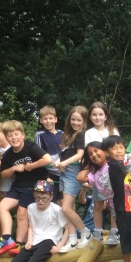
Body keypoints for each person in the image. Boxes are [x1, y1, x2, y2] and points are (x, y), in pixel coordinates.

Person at [0, 120, 53, 257]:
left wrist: (31, 166)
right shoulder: (8, 154)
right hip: (18, 186)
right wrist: (14, 168)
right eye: (10, 135)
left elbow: (47, 159)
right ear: (6, 138)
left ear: (23, 135)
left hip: (33, 186)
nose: (14, 138)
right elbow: (4, 174)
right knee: (2, 207)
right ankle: (7, 240)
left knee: (21, 213)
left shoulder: (31, 147)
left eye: (16, 134)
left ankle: (18, 244)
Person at [54, 106, 91, 253]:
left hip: (73, 172)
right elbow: (63, 154)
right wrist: (58, 162)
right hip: (64, 172)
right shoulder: (67, 135)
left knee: (65, 208)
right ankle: (72, 238)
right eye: (73, 119)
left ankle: (85, 232)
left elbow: (80, 155)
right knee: (69, 209)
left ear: (84, 121)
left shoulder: (81, 134)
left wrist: (64, 163)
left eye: (79, 120)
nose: (75, 122)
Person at [84, 101, 120, 245]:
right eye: (94, 115)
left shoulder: (112, 130)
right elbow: (88, 153)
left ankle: (114, 232)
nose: (97, 117)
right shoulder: (89, 133)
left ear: (105, 116)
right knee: (98, 203)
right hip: (98, 172)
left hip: (112, 170)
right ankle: (97, 232)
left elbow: (118, 149)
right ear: (90, 117)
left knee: (113, 204)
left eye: (100, 114)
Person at [76, 141, 119, 246]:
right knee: (97, 206)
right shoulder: (95, 172)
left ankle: (114, 232)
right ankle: (98, 233)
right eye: (90, 154)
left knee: (113, 207)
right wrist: (90, 164)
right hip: (101, 184)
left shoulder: (113, 163)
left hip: (115, 191)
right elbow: (80, 177)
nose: (94, 155)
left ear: (104, 151)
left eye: (96, 151)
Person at [34, 105, 63, 203]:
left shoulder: (62, 134)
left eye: (50, 118)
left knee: (63, 202)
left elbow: (66, 152)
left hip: (63, 173)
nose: (48, 121)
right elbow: (38, 157)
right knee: (50, 201)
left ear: (55, 119)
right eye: (45, 119)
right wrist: (45, 176)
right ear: (41, 121)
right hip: (50, 174)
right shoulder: (40, 135)